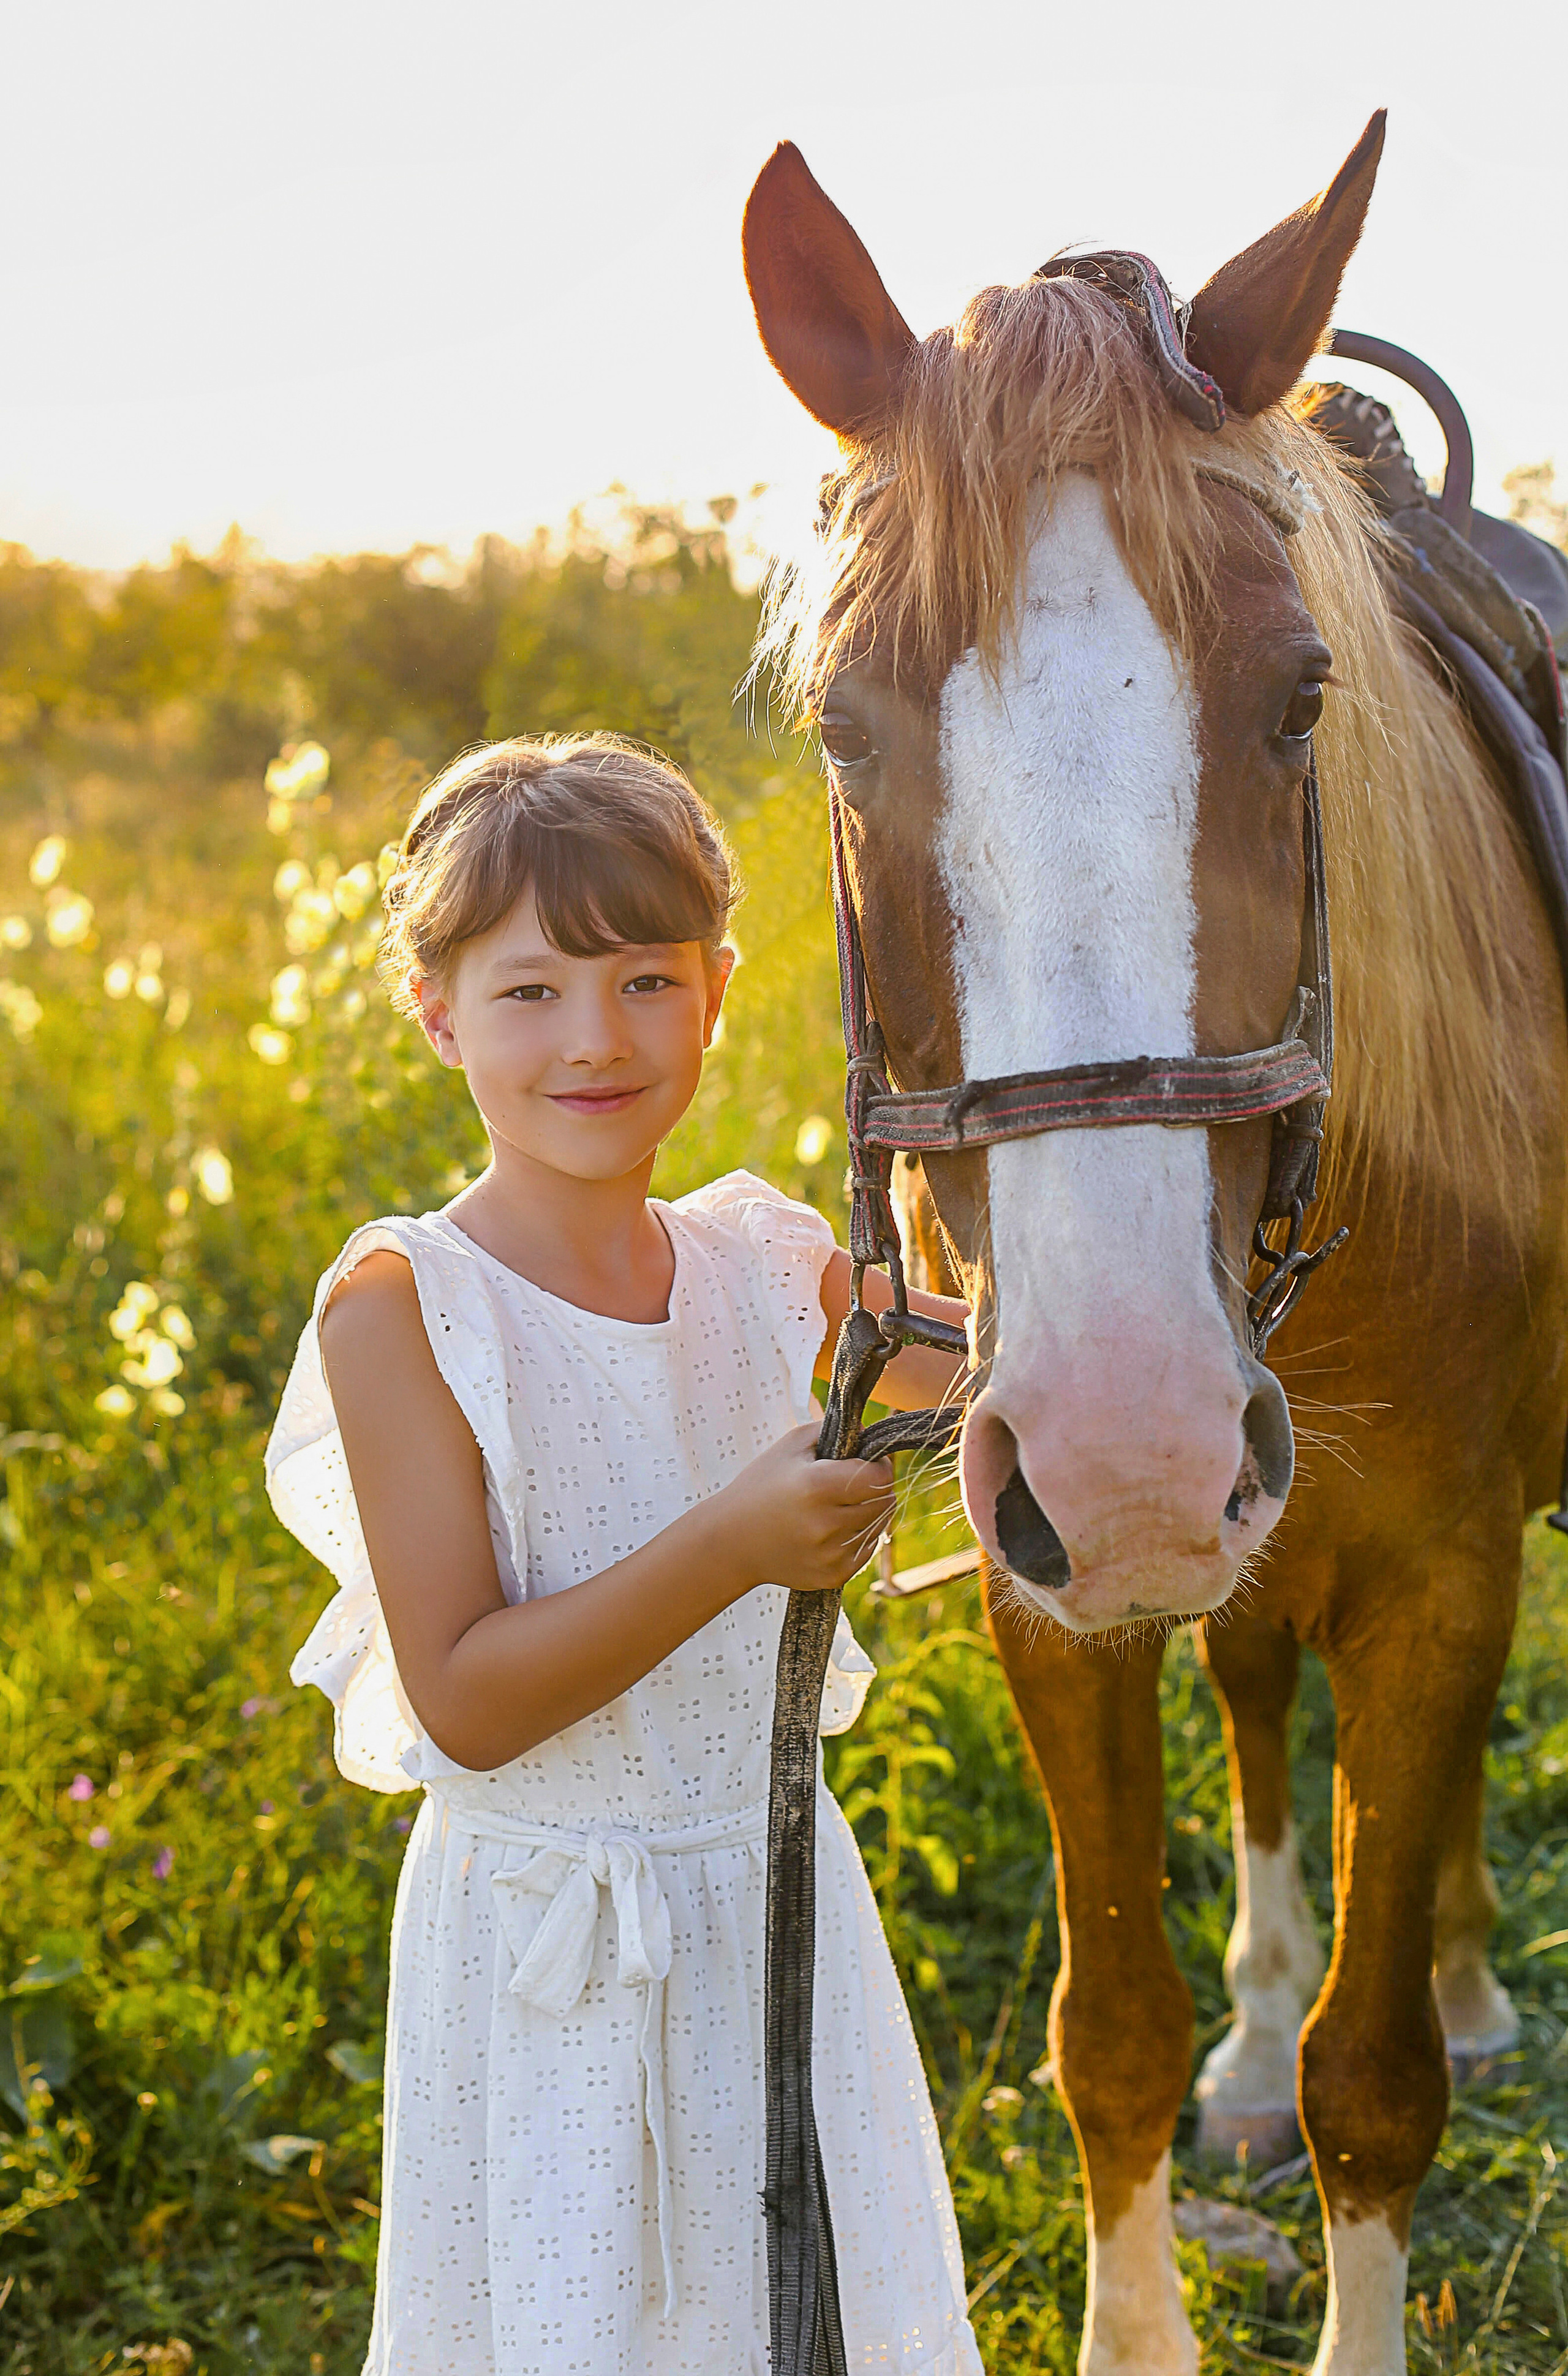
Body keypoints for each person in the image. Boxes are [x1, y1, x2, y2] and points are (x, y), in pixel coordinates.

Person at [266, 735, 983, 2376]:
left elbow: (1019, 1384)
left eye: (648, 980)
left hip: (777, 1899)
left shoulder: (773, 1257)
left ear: (720, 991)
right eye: (530, 992)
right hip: (553, 1959)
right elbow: (462, 1700)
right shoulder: (406, 1311)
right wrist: (733, 1541)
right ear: (438, 1012)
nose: (596, 1040)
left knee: (816, 2319)